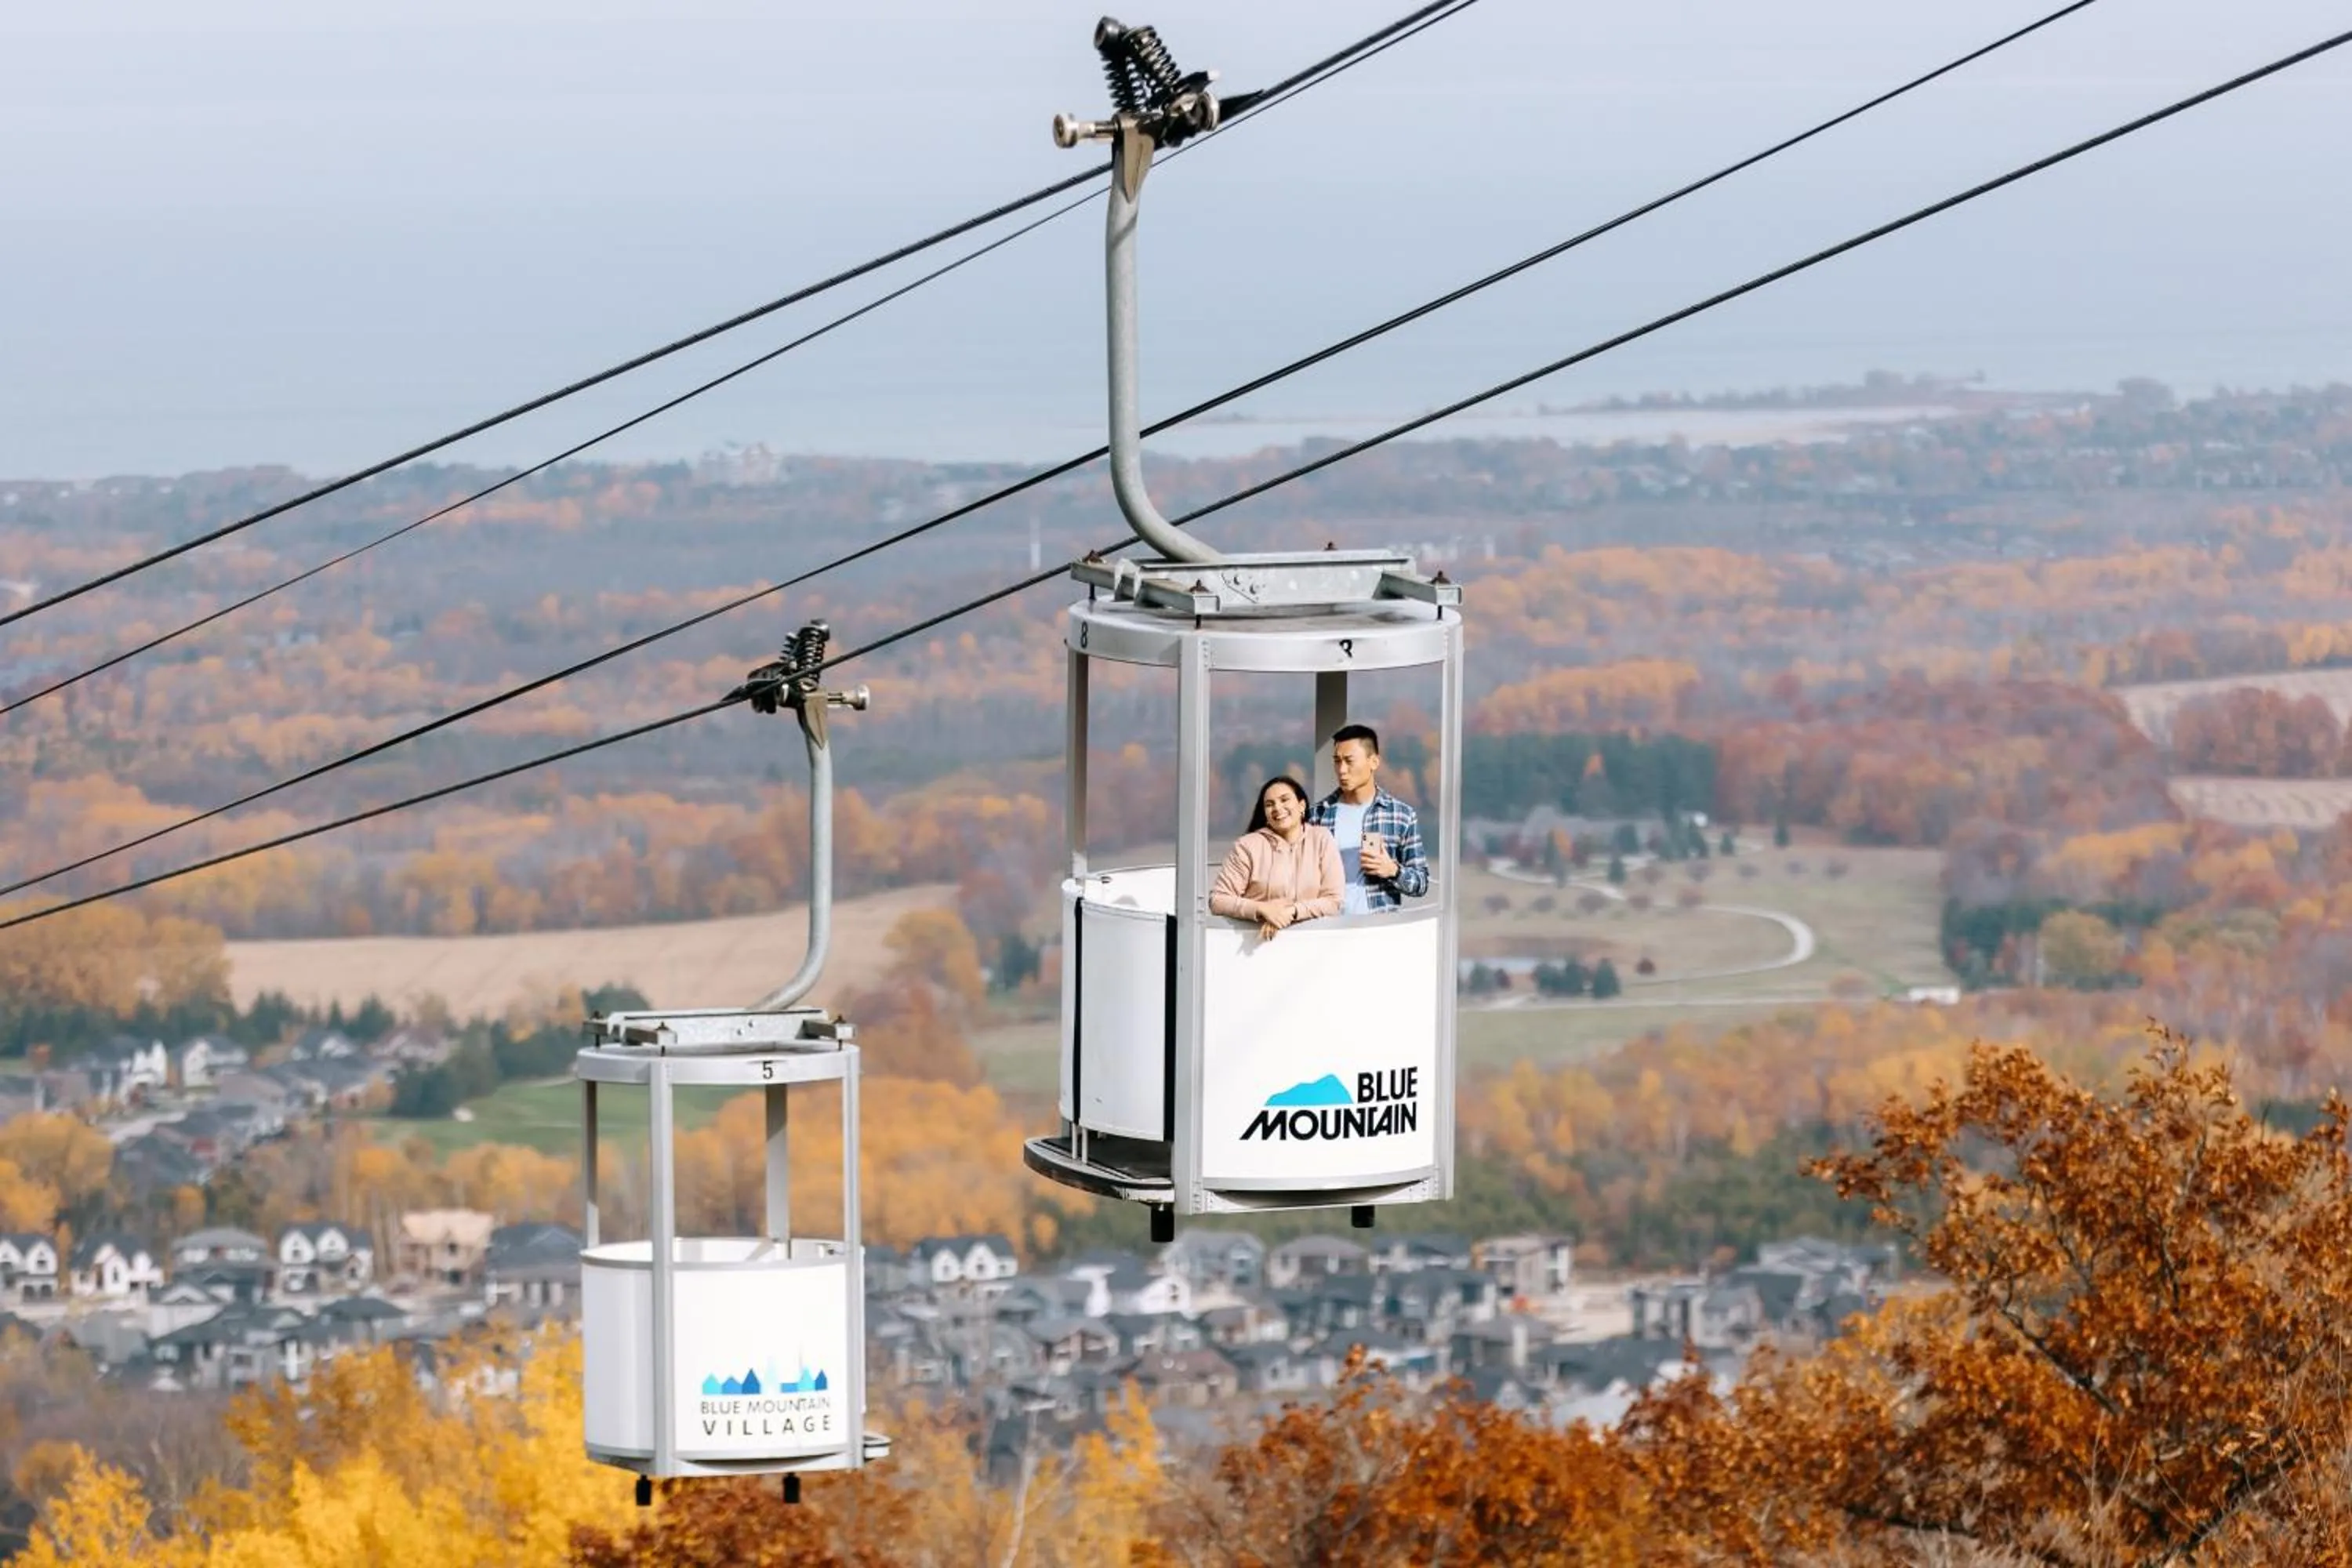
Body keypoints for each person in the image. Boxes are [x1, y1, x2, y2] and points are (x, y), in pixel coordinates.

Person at [1309, 724, 1429, 913]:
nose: (1341, 770)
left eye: (1349, 761)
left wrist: (1393, 870)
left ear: (1374, 762)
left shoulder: (1401, 816)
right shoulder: (1317, 815)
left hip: (1376, 933)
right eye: (1337, 761)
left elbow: (1421, 884)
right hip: (1328, 930)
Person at [1209, 776, 1343, 940]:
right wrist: (1261, 909)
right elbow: (1218, 900)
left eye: (1284, 800)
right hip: (1257, 945)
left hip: (1312, 946)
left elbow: (1333, 901)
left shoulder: (1322, 838)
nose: (1277, 808)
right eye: (1269, 804)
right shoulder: (1247, 846)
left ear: (1302, 806)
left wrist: (1292, 912)